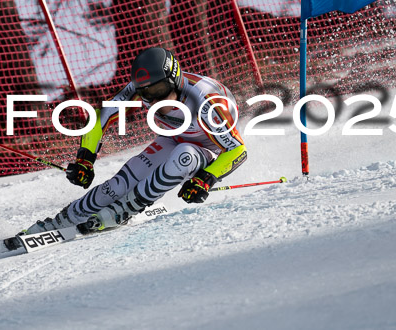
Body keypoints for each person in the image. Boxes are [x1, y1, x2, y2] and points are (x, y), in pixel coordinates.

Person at [23, 47, 247, 234]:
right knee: (118, 185)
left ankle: (127, 209)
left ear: (175, 81)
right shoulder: (139, 89)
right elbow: (102, 116)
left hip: (207, 150)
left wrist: (205, 179)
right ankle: (60, 222)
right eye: (147, 93)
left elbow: (237, 150)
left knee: (185, 155)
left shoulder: (206, 102)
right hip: (174, 137)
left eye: (160, 89)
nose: (155, 98)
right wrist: (85, 159)